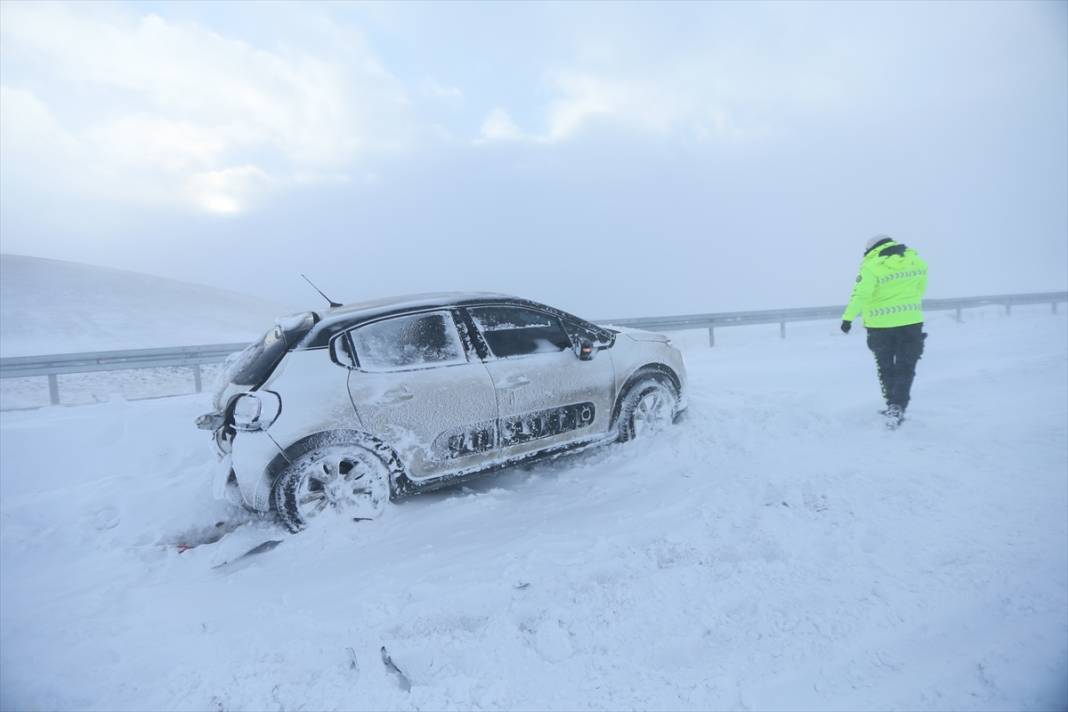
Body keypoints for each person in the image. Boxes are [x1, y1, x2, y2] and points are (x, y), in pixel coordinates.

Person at [840, 234, 928, 428]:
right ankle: (898, 405)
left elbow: (861, 295)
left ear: (872, 249)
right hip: (911, 323)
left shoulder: (872, 267)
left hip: (881, 327)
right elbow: (920, 289)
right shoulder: (917, 261)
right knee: (906, 367)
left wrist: (848, 319)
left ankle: (892, 405)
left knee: (886, 366)